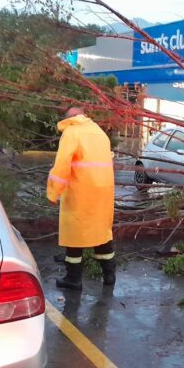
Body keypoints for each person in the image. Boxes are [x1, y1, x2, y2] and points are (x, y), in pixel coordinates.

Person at [47, 107, 116, 290]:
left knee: (74, 235)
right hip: (103, 192)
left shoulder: (72, 132)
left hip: (80, 191)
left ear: (69, 118)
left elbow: (62, 165)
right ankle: (109, 275)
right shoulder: (99, 133)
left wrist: (53, 192)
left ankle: (73, 279)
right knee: (100, 232)